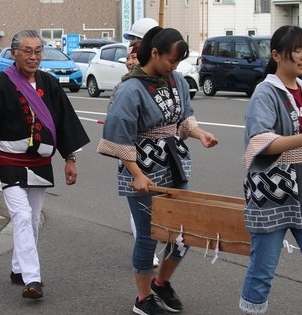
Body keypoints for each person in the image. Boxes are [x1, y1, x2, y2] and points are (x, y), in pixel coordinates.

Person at [97, 26, 218, 315]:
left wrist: (199, 133)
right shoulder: (130, 88)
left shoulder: (175, 80)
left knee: (184, 232)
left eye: (177, 63)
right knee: (149, 235)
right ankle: (143, 299)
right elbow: (119, 136)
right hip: (142, 167)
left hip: (172, 164)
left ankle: (162, 282)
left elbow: (184, 117)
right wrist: (136, 174)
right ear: (154, 53)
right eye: (171, 61)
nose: (174, 67)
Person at [0, 30, 90, 300]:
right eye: (28, 51)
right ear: (14, 54)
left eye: (38, 51)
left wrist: (70, 159)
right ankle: (33, 279)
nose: (33, 57)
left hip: (41, 162)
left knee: (31, 219)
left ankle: (18, 269)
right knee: (21, 216)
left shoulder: (49, 83)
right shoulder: (0, 83)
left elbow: (65, 122)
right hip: (10, 162)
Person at [239, 25, 302, 315]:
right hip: (272, 187)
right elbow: (259, 142)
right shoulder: (265, 93)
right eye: (298, 51)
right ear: (277, 55)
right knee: (263, 269)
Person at [109, 38, 160, 269]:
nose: (130, 61)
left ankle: (146, 247)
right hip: (133, 154)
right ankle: (146, 251)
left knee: (156, 208)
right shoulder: (125, 87)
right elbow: (116, 124)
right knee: (140, 207)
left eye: (134, 57)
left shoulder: (162, 83)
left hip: (160, 157)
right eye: (128, 57)